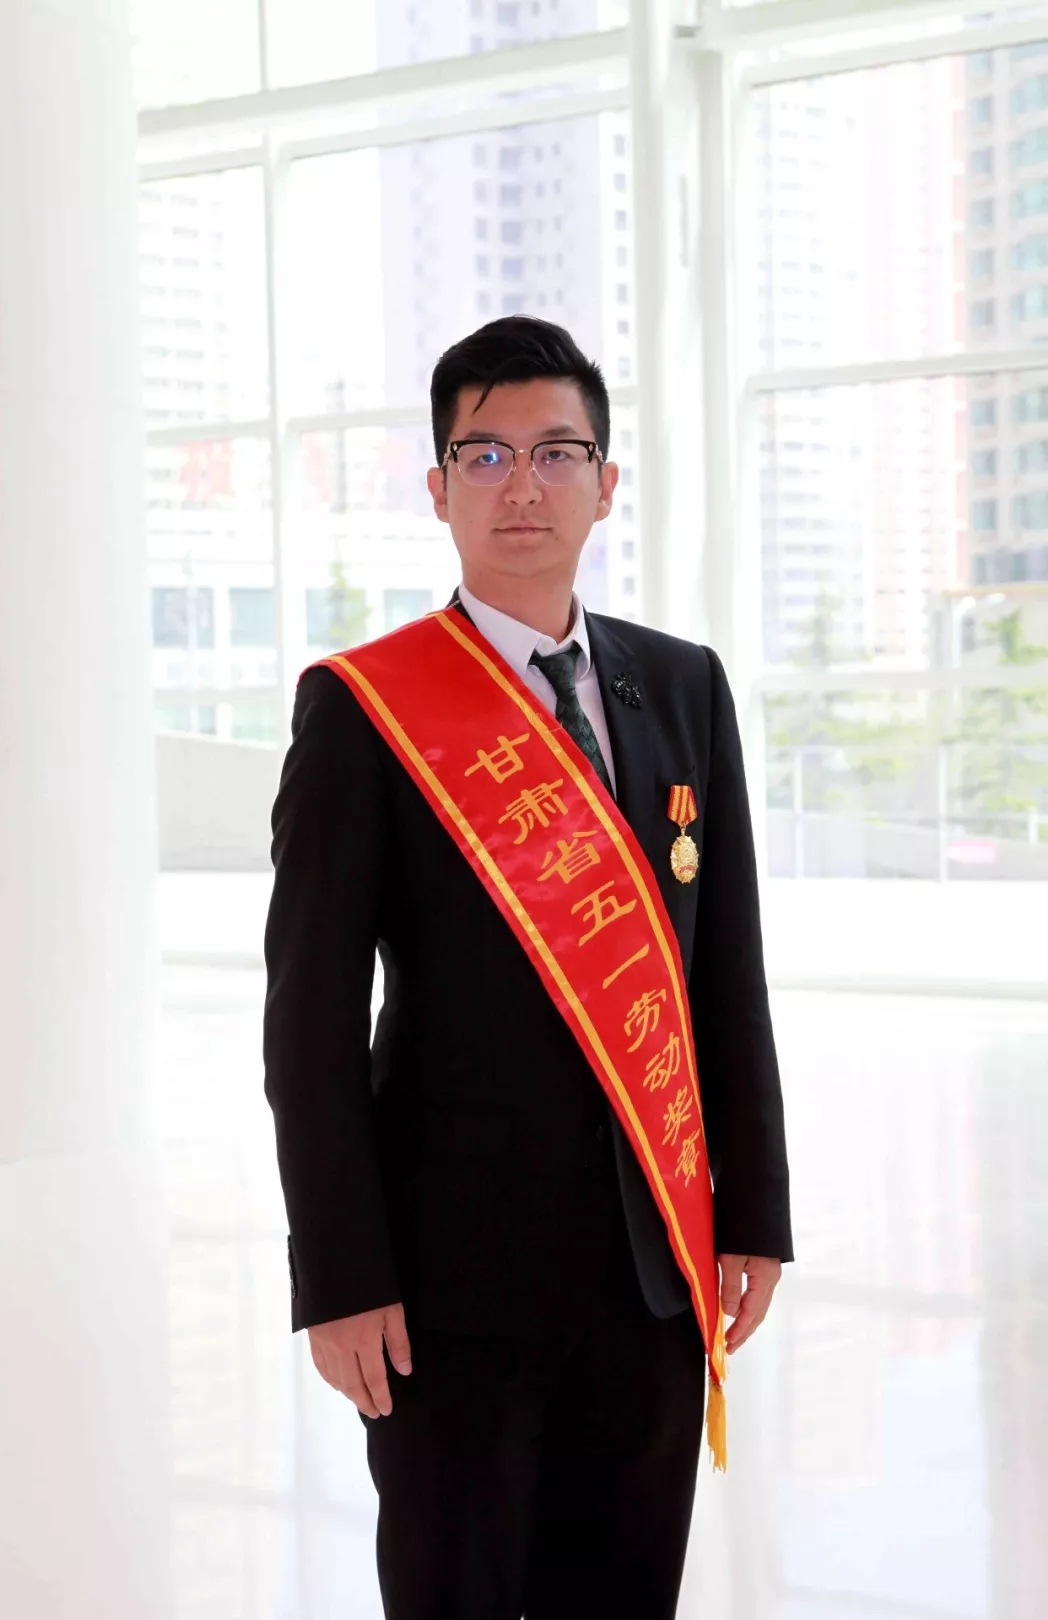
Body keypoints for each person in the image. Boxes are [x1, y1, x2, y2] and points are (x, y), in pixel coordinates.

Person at [263, 315, 793, 1620]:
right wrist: (341, 1277)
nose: (523, 484)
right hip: (449, 1285)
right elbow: (310, 1023)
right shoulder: (365, 708)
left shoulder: (683, 686)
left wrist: (754, 1208)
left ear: (606, 485)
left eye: (557, 452)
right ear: (437, 487)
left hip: (652, 1265)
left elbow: (724, 968)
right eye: (486, 454)